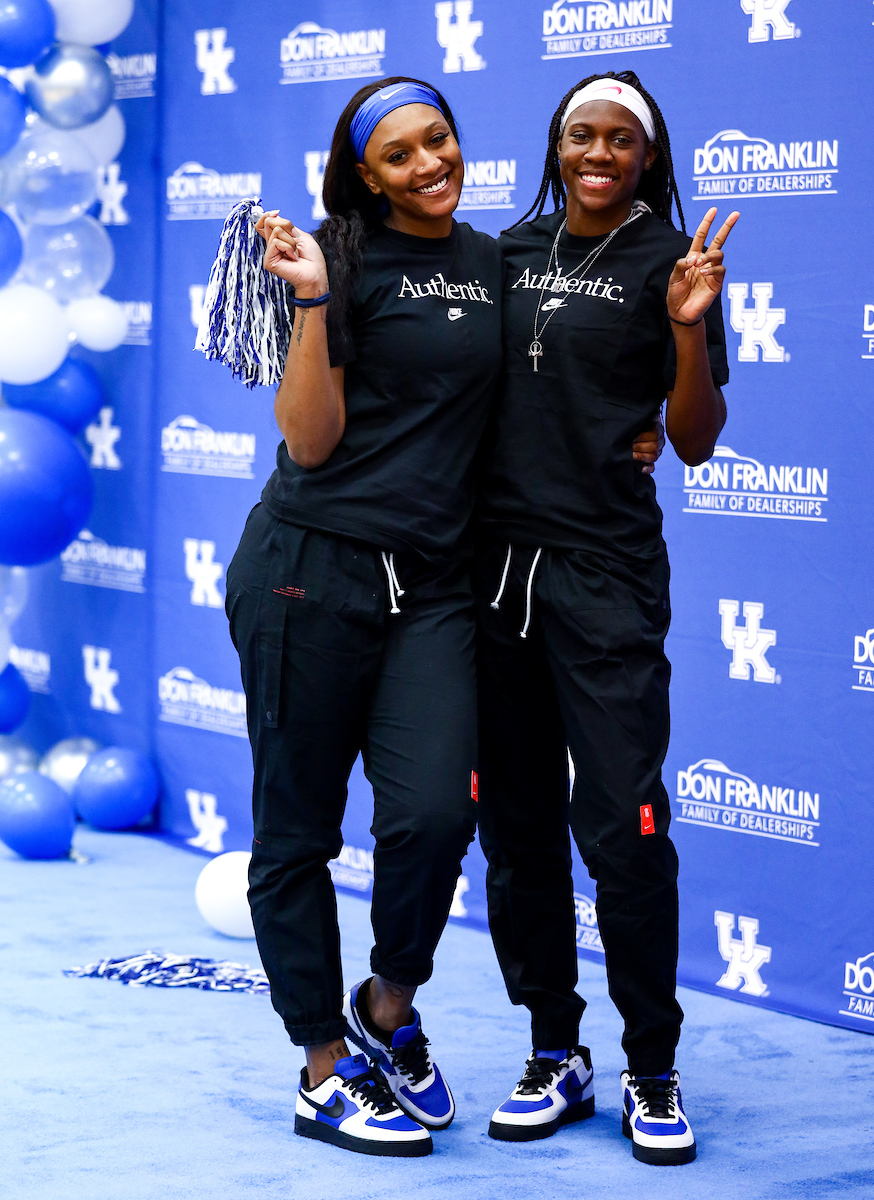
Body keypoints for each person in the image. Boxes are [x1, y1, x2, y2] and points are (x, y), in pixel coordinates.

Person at [224, 77, 503, 1158]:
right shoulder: (334, 261)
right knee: (294, 828)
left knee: (434, 814)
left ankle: (387, 1008)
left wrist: (629, 432)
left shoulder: (494, 263)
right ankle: (322, 1068)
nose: (430, 163)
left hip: (432, 586)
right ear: (362, 174)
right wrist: (306, 303)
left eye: (439, 139)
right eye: (400, 155)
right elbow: (309, 442)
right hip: (309, 571)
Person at [474, 71, 738, 1166]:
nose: (598, 151)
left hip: (605, 579)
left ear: (647, 156)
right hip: (493, 579)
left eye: (620, 139)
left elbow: (694, 440)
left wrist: (686, 330)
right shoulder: (504, 253)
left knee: (626, 833)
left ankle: (652, 1068)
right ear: (555, 144)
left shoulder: (669, 262)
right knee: (517, 830)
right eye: (581, 134)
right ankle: (554, 1050)